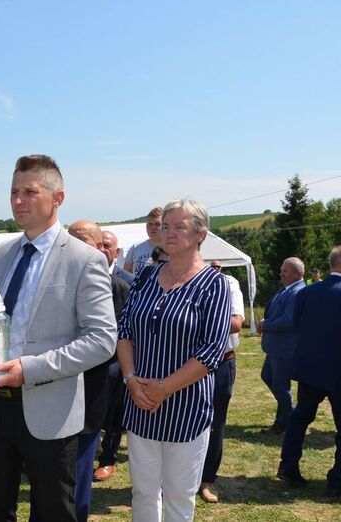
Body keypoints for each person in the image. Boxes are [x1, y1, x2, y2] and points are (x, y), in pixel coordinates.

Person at [0, 154, 116, 522]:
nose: (18, 200)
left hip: (50, 408)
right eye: (14, 192)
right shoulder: (5, 253)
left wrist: (30, 369)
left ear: (58, 198)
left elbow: (101, 340)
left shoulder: (84, 259)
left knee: (53, 512)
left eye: (30, 192)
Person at [118, 199, 231, 521]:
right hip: (139, 402)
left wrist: (162, 389)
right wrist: (130, 380)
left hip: (185, 408)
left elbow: (211, 351)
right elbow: (124, 330)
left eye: (179, 226)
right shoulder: (145, 277)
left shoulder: (214, 284)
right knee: (142, 492)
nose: (169, 233)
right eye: (166, 226)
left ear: (200, 235)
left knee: (179, 496)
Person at [28, 220, 127, 522]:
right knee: (44, 479)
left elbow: (110, 344)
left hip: (88, 394)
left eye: (84, 240)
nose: (77, 246)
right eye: (72, 239)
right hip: (46, 393)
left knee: (78, 479)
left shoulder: (118, 287)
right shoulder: (49, 276)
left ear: (100, 247)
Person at [278, 246, 341, 496]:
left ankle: (288, 466)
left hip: (309, 368)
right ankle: (339, 481)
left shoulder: (308, 292)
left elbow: (298, 325)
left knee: (299, 419)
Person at [198, 260, 245, 504]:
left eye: (218, 264)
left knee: (215, 422)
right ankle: (184, 478)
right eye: (210, 262)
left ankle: (207, 479)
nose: (214, 267)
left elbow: (237, 323)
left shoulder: (229, 283)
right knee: (187, 419)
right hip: (187, 364)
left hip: (220, 362)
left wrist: (193, 325)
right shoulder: (182, 282)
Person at [94, 229, 132, 483]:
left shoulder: (126, 282)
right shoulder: (75, 276)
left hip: (113, 360)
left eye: (106, 245)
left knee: (113, 411)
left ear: (116, 252)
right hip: (81, 360)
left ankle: (108, 458)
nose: (101, 250)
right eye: (98, 245)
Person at [257, 257, 305, 435]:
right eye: (282, 269)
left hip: (285, 349)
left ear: (297, 273)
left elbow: (289, 321)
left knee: (280, 387)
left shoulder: (297, 292)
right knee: (268, 377)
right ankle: (285, 417)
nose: (281, 273)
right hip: (276, 348)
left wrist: (266, 324)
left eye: (285, 271)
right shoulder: (287, 289)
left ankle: (290, 419)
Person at [123, 207, 163, 275]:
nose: (153, 228)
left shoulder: (171, 250)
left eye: (157, 224)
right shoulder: (135, 248)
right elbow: (125, 276)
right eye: (150, 224)